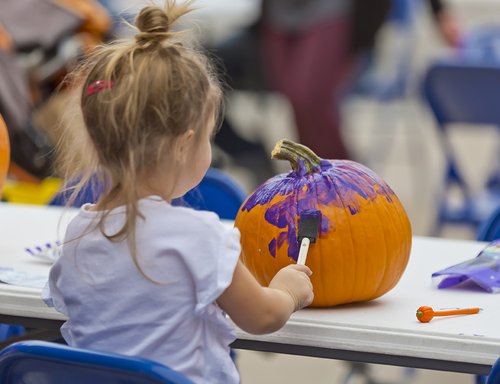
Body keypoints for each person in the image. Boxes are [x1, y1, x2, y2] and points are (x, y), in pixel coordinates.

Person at [42, 1, 314, 383]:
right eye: (207, 136)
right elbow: (263, 317)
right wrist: (288, 290)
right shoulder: (199, 237)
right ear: (184, 144)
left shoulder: (77, 236)